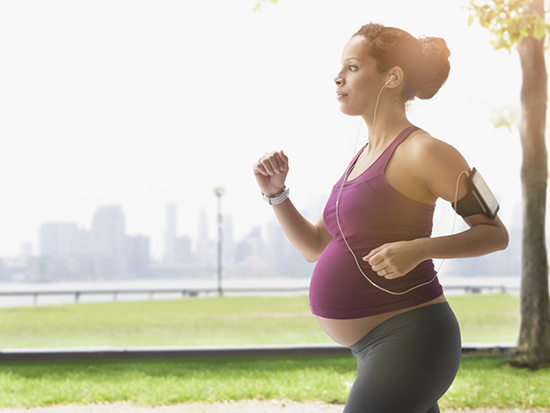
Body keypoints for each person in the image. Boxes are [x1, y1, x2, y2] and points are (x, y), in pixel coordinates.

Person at [253, 23, 509, 413]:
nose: (338, 77)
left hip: (412, 339)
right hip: (375, 347)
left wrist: (418, 250)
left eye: (353, 67)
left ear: (392, 77)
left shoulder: (426, 152)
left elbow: (495, 233)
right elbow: (315, 248)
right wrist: (276, 194)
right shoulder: (359, 158)